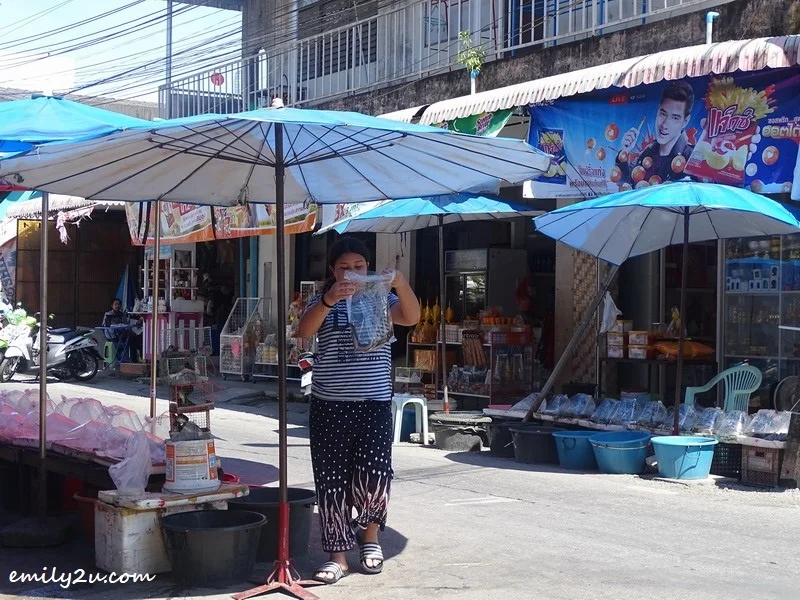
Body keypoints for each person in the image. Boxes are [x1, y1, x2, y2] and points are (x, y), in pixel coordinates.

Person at [295, 237, 420, 585]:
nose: (352, 272)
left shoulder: (381, 298)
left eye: (359, 266)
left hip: (374, 404)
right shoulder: (322, 301)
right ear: (333, 271)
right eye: (345, 267)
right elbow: (302, 332)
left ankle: (370, 540)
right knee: (332, 482)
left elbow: (411, 317)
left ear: (368, 268)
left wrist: (400, 282)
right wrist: (327, 300)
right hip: (330, 406)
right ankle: (337, 556)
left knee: (374, 476)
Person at [615, 80, 695, 185]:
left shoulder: (691, 158)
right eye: (663, 114)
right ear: (657, 111)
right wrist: (624, 152)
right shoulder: (648, 152)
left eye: (675, 118)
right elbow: (626, 185)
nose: (665, 124)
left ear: (685, 121)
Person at [102, 298, 142, 362]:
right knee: (130, 340)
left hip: (122, 334)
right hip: (113, 335)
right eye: (115, 304)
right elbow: (106, 325)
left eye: (119, 304)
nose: (117, 306)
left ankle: (134, 359)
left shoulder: (122, 314)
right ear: (112, 305)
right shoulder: (108, 314)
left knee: (135, 339)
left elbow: (125, 323)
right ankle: (123, 357)